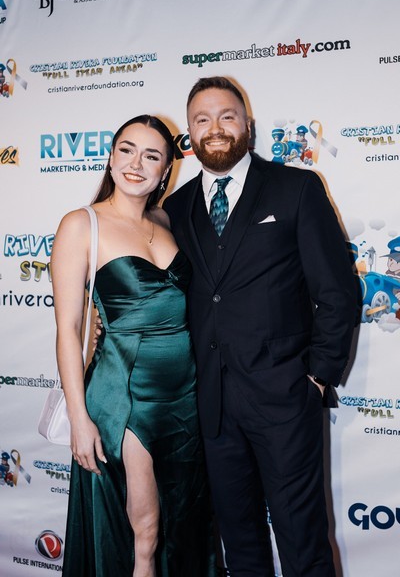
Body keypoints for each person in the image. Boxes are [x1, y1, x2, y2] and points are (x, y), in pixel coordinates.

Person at [162, 77, 359, 577]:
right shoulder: (176, 208)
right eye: (202, 119)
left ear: (247, 125)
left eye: (227, 116)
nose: (215, 128)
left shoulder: (296, 188)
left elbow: (337, 291)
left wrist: (318, 377)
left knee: (303, 544)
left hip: (285, 400)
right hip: (211, 407)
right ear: (189, 133)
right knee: (240, 545)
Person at [51, 115, 216, 577]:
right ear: (110, 157)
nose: (136, 164)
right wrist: (79, 417)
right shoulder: (81, 224)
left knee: (183, 521)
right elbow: (68, 329)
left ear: (166, 171)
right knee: (144, 530)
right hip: (126, 395)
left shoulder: (166, 220)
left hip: (184, 396)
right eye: (126, 150)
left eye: (151, 155)